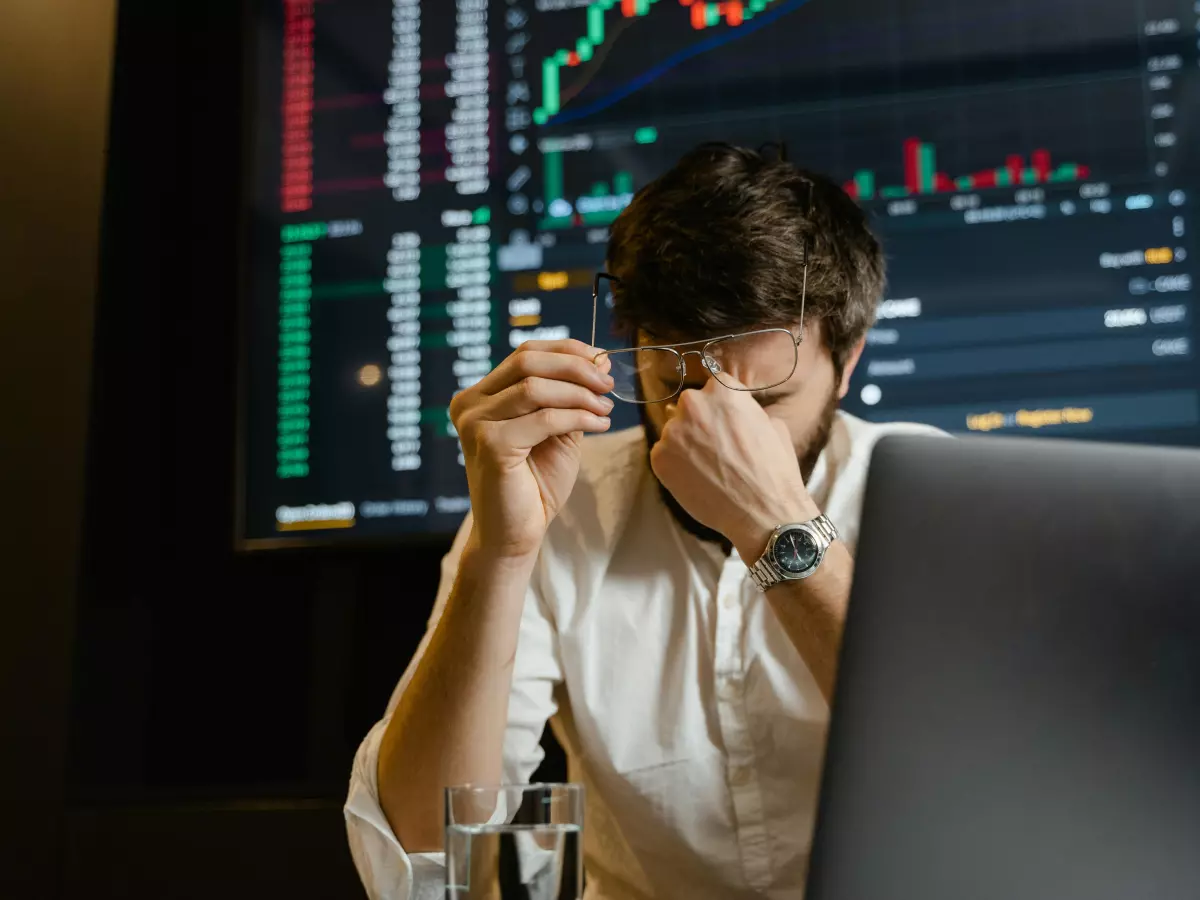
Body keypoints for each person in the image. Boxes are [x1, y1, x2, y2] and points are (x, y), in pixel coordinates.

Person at [345, 142, 942, 899]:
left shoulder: (931, 501)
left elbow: (981, 783)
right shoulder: (554, 503)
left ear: (848, 361)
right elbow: (422, 859)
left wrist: (776, 525)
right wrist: (501, 553)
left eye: (762, 407)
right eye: (673, 385)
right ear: (636, 350)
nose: (714, 439)